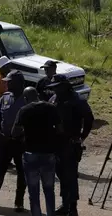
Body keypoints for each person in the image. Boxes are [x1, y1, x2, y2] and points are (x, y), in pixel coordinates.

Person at [48, 74, 94, 216]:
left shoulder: (76, 100)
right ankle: (65, 204)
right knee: (60, 174)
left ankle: (72, 208)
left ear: (64, 86)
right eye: (53, 87)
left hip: (70, 143)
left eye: (56, 87)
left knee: (70, 176)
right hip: (56, 144)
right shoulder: (54, 98)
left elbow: (89, 118)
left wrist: (82, 136)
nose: (54, 90)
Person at [13, 87, 62, 216]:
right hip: (48, 154)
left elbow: (15, 132)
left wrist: (25, 132)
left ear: (25, 98)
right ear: (38, 95)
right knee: (49, 190)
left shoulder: (24, 110)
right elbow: (60, 130)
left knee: (33, 192)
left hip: (31, 154)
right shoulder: (51, 108)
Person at [0, 70, 27, 215]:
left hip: (20, 143)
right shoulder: (5, 97)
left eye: (10, 81)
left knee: (22, 173)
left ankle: (18, 202)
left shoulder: (29, 99)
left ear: (20, 83)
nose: (6, 83)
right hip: (3, 141)